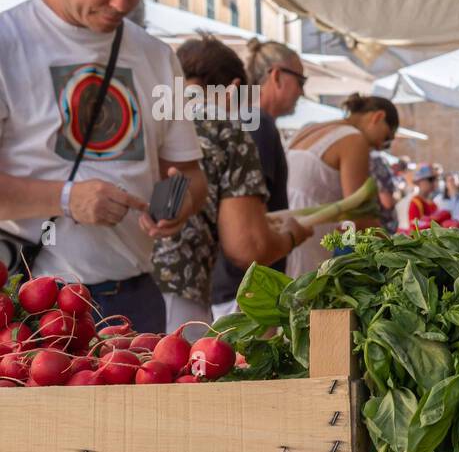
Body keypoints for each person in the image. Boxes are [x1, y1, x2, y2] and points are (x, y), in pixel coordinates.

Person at [0, 0, 207, 333]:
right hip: (31, 297)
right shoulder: (7, 44)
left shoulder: (157, 57)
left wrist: (173, 204)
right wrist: (67, 198)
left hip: (135, 297)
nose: (121, 4)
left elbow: (189, 175)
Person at [153, 36, 312, 329]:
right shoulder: (228, 128)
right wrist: (291, 235)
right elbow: (246, 247)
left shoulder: (148, 112)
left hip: (104, 285)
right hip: (181, 290)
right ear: (234, 89)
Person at [209, 38, 306, 318]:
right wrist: (291, 235)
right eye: (300, 81)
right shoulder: (257, 124)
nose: (302, 91)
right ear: (276, 75)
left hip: (229, 284)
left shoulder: (241, 118)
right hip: (244, 290)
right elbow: (250, 222)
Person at [285, 93, 399, 276]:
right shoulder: (353, 139)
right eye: (386, 139)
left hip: (283, 238)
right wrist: (395, 254)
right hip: (307, 248)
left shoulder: (310, 129)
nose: (379, 147)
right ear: (378, 117)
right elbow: (360, 215)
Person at [369, 150, 399, 233]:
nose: (392, 136)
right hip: (380, 231)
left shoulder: (361, 156)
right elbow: (387, 202)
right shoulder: (377, 159)